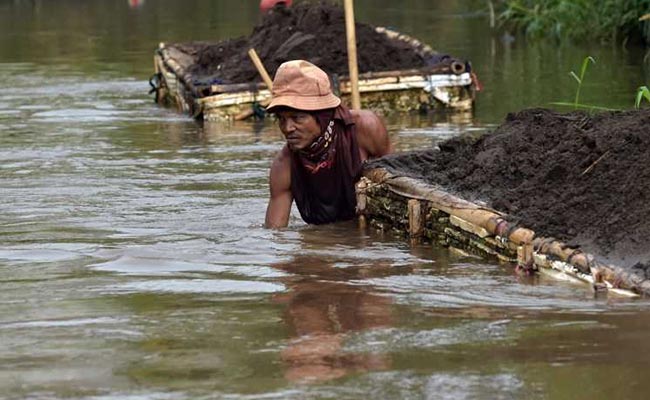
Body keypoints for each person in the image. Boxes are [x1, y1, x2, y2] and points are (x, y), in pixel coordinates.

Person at [264, 60, 392, 228]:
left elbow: (396, 187)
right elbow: (275, 232)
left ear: (323, 115)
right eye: (281, 119)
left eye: (297, 117)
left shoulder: (365, 129)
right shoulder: (285, 165)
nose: (287, 128)